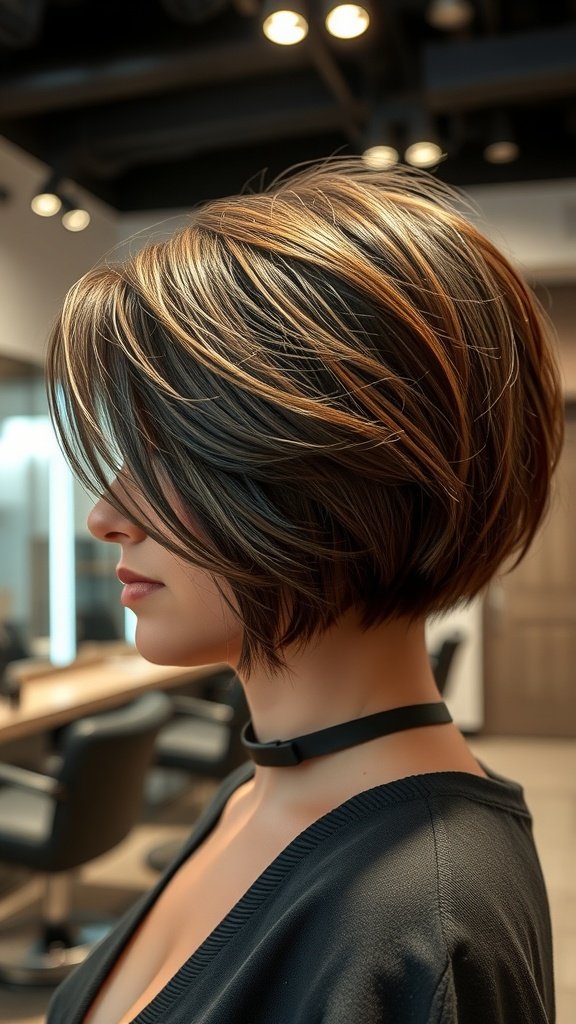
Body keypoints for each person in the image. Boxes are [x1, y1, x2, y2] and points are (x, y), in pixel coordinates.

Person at [45, 158, 561, 1024]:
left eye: (169, 458)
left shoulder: (417, 925)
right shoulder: (260, 792)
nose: (105, 516)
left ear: (338, 472)